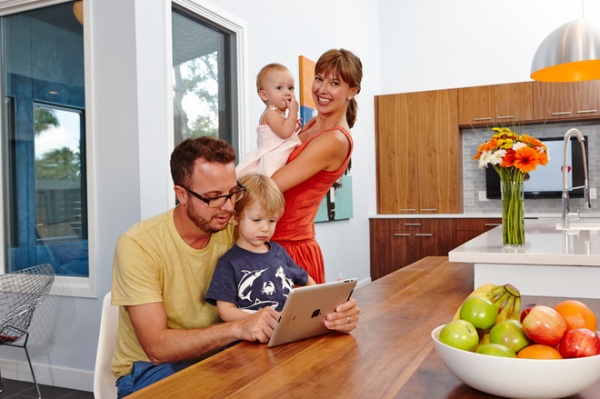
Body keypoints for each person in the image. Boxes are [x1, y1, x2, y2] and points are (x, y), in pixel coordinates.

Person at [111, 136, 359, 397]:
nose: (229, 207)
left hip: (227, 351)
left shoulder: (236, 228)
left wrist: (334, 313)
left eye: (232, 192)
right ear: (181, 195)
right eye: (214, 197)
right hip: (152, 369)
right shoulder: (138, 245)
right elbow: (158, 348)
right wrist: (239, 327)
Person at [271, 48, 362, 284]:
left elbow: (273, 184)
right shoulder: (313, 123)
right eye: (319, 78)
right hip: (271, 239)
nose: (322, 89)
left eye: (334, 83)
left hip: (290, 248)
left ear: (352, 91)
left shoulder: (335, 139)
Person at [205, 173, 316, 321]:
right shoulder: (228, 262)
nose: (265, 228)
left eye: (272, 220)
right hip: (252, 338)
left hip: (287, 329)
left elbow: (307, 281)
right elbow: (225, 311)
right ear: (235, 217)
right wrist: (259, 320)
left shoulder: (279, 252)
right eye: (257, 220)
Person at [236, 63, 302, 178]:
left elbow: (283, 132)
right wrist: (293, 112)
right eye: (279, 88)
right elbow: (285, 132)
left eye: (291, 88)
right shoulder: (270, 113)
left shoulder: (277, 114)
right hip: (271, 160)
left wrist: (293, 127)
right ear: (264, 95)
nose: (287, 92)